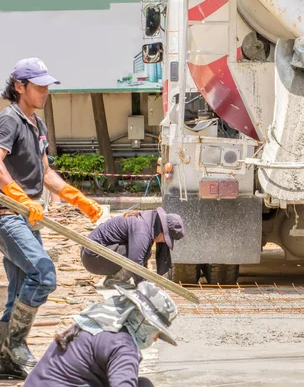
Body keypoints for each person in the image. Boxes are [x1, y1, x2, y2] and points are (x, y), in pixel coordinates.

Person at [0, 58, 103, 377]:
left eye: (47, 85)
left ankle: (4, 357)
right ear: (20, 87)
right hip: (8, 214)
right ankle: (15, 344)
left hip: (30, 215)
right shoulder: (10, 120)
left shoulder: (38, 125)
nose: (45, 91)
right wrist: (17, 196)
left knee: (19, 289)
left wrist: (78, 199)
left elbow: (45, 172)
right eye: (39, 85)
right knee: (43, 275)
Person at [24, 281, 178, 387]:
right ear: (142, 321)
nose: (156, 339)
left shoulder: (97, 324)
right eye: (156, 332)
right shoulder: (123, 347)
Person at [81, 207, 185, 287]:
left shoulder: (145, 221)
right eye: (166, 239)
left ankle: (115, 276)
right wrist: (142, 285)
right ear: (162, 233)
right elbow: (135, 261)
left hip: (92, 254)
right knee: (140, 253)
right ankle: (116, 280)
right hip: (93, 257)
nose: (163, 242)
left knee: (141, 250)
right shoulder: (142, 230)